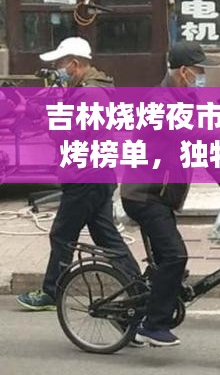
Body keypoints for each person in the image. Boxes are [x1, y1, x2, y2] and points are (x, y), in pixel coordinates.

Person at [17, 37, 140, 311]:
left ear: (74, 64)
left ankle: (52, 293)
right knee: (106, 237)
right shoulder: (88, 89)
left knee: (62, 235)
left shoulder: (90, 94)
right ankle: (138, 284)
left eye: (60, 64)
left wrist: (49, 123)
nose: (57, 70)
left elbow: (74, 134)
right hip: (95, 175)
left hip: (86, 177)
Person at [121, 40, 220, 347]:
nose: (202, 76)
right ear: (183, 71)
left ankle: (132, 313)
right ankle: (153, 325)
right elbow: (192, 135)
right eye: (199, 70)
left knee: (166, 261)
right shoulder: (159, 101)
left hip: (161, 196)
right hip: (144, 195)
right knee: (175, 256)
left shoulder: (187, 99)